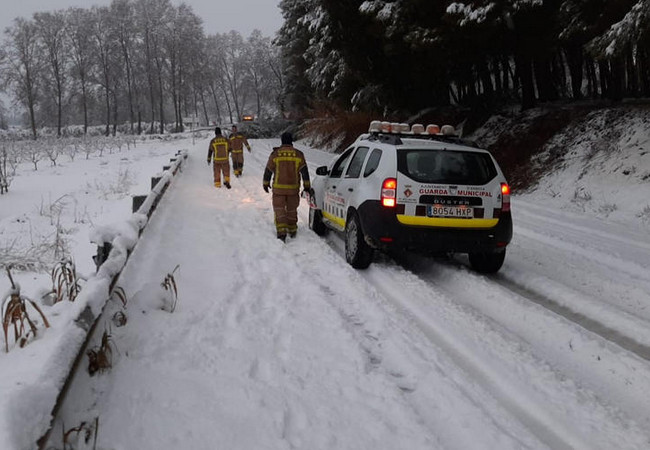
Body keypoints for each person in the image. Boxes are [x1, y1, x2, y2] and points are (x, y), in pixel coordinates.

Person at [262, 132, 312, 241]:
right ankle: (292, 230)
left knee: (279, 210)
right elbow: (305, 172)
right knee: (292, 209)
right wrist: (307, 186)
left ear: (282, 141)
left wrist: (266, 183)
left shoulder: (275, 154)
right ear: (291, 141)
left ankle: (281, 232)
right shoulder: (299, 154)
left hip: (278, 189)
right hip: (293, 189)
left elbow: (268, 170)